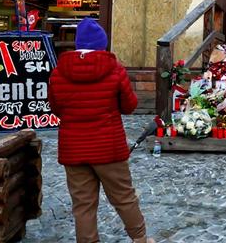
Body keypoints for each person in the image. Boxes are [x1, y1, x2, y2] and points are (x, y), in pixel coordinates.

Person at [49, 18, 154, 243]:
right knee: (124, 197)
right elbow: (129, 106)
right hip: (109, 148)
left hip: (73, 149)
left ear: (77, 44)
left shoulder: (58, 73)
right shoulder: (115, 70)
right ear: (102, 44)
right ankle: (140, 239)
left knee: (83, 204)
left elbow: (56, 109)